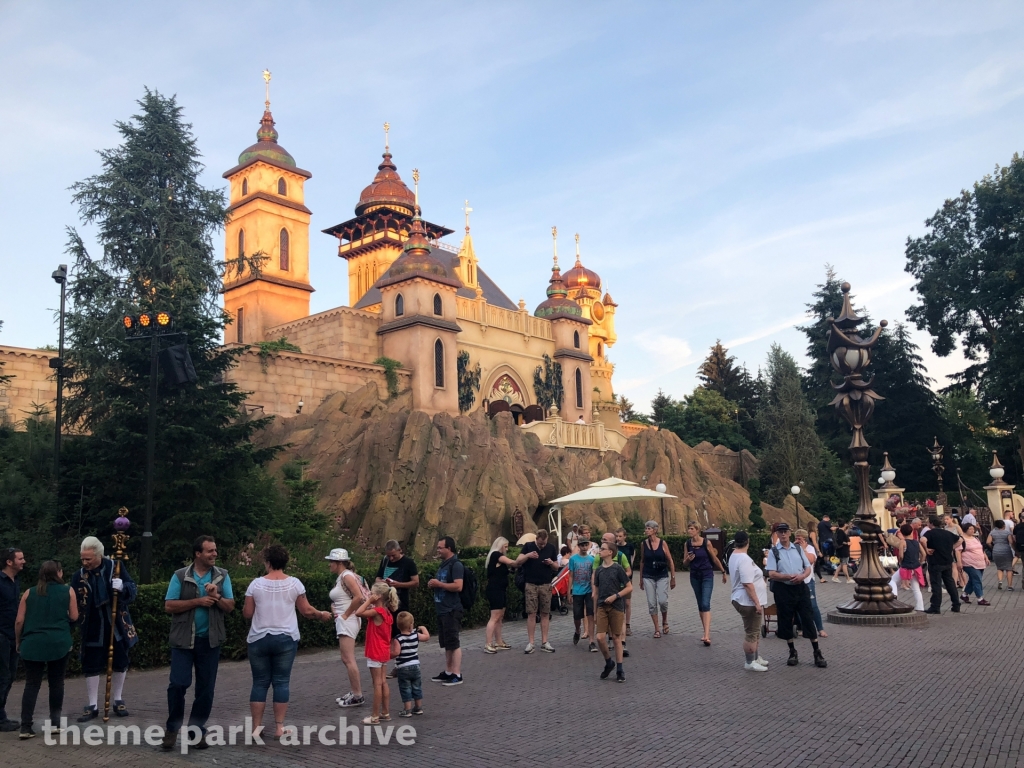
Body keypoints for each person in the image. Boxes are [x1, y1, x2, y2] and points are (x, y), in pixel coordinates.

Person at [243, 544, 333, 739]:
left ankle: (256, 729)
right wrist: (322, 614)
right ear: (285, 562)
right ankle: (279, 727)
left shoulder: (255, 584)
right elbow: (306, 611)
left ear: (267, 562)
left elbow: (248, 613)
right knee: (281, 682)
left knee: (259, 683)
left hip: (258, 638)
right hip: (286, 638)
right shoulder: (295, 584)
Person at [162, 536, 235, 750]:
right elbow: (169, 606)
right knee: (178, 684)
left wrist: (216, 597)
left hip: (210, 641)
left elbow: (230, 607)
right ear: (198, 554)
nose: (214, 554)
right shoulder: (180, 576)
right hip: (183, 641)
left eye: (215, 550)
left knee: (205, 690)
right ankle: (172, 728)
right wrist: (198, 601)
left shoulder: (222, 576)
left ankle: (196, 731)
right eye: (210, 551)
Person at [72, 536, 138, 721]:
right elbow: (74, 600)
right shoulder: (78, 576)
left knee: (120, 659)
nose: (85, 563)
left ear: (99, 556)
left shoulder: (115, 568)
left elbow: (133, 588)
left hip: (116, 623)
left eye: (89, 559)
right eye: (83, 559)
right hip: (93, 624)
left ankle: (117, 698)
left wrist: (123, 587)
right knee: (91, 662)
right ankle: (92, 704)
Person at [14, 560, 76, 739]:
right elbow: (74, 616)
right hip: (59, 643)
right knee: (56, 682)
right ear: (59, 573)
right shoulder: (68, 591)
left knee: (31, 684)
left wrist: (19, 641)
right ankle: (55, 724)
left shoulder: (29, 593)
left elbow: (19, 621)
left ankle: (26, 726)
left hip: (32, 642)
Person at [766, 522, 826, 668]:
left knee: (807, 616)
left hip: (800, 587)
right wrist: (786, 577)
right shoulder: (774, 551)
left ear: (790, 533)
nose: (783, 534)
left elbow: (807, 567)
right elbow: (771, 573)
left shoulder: (798, 549)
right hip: (784, 589)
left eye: (785, 531)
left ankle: (817, 651)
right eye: (780, 532)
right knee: (786, 619)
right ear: (777, 534)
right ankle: (792, 651)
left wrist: (802, 576)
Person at [354, 582, 399, 725]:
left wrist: (368, 601)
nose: (369, 595)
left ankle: (374, 716)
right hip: (384, 651)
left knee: (377, 684)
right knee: (383, 682)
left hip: (375, 651)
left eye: (372, 593)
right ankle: (385, 712)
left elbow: (358, 612)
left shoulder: (377, 611)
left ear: (377, 596)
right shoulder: (387, 612)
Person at [328, 548, 367, 709]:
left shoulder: (346, 576)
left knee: (348, 658)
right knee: (347, 658)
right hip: (345, 619)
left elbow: (359, 597)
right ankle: (355, 691)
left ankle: (358, 695)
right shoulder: (343, 577)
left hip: (348, 621)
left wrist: (345, 615)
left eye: (331, 562)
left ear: (339, 563)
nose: (329, 564)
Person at [375, 540, 419, 678]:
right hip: (386, 605)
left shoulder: (409, 563)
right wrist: (381, 582)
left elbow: (415, 582)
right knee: (388, 634)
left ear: (400, 550)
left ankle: (400, 665)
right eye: (389, 556)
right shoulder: (385, 561)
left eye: (393, 555)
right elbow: (378, 577)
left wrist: (398, 584)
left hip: (401, 604)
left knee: (401, 635)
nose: (391, 558)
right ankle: (390, 664)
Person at [728, 531, 769, 672]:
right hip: (747, 602)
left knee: (756, 631)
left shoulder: (735, 555)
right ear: (748, 541)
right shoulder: (743, 559)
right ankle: (749, 662)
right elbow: (747, 584)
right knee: (751, 632)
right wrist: (757, 603)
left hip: (744, 600)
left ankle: (756, 657)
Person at [426, 536, 465, 685]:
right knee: (447, 643)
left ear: (449, 549)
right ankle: (448, 671)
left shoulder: (456, 565)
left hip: (451, 609)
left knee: (453, 642)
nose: (438, 550)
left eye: (440, 547)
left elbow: (458, 586)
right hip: (442, 609)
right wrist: (434, 584)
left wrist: (439, 585)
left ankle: (457, 674)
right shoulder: (443, 564)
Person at [592, 541, 632, 682]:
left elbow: (629, 587)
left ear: (610, 552)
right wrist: (595, 611)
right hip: (602, 606)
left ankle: (620, 669)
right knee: (600, 637)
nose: (599, 551)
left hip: (616, 606)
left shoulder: (618, 569)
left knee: (616, 638)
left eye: (602, 549)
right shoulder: (599, 570)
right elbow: (595, 592)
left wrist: (616, 596)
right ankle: (609, 662)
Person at [515, 529, 559, 653]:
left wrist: (551, 563)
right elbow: (518, 561)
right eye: (540, 544)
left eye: (544, 543)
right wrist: (528, 555)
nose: (542, 546)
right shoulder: (528, 546)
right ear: (536, 539)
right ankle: (531, 642)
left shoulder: (551, 548)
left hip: (545, 584)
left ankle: (545, 642)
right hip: (531, 584)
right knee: (531, 613)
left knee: (545, 613)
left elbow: (557, 566)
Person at [683, 522, 727, 646]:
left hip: (707, 575)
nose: (689, 531)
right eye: (688, 528)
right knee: (700, 604)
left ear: (697, 530)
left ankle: (707, 635)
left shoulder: (706, 543)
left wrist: (723, 571)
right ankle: (705, 631)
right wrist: (688, 560)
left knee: (705, 603)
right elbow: (684, 563)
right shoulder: (687, 544)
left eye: (691, 529)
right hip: (694, 576)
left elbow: (714, 558)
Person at [0, 547, 25, 732]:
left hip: (12, 636)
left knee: (9, 676)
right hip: (1, 635)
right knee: (3, 676)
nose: (23, 561)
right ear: (9, 562)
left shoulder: (15, 581)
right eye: (20, 558)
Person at [638, 520, 675, 637]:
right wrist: (640, 579)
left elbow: (670, 560)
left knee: (663, 601)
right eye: (646, 528)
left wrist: (673, 577)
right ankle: (657, 629)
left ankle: (665, 621)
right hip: (648, 576)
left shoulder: (662, 543)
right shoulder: (643, 544)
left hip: (662, 575)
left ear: (655, 530)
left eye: (649, 528)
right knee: (652, 603)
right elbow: (642, 561)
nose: (647, 530)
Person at [923, 516, 962, 614]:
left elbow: (923, 540)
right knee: (950, 583)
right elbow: (961, 539)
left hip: (935, 561)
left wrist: (926, 549)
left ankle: (935, 606)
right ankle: (956, 604)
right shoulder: (948, 533)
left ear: (931, 524)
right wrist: (951, 547)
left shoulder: (929, 533)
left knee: (936, 584)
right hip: (947, 561)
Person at [394, 611, 429, 717]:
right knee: (416, 686)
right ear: (411, 625)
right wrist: (423, 628)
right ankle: (418, 707)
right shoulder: (416, 635)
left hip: (403, 667)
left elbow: (397, 652)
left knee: (405, 688)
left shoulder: (398, 639)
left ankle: (407, 709)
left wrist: (389, 654)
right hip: (415, 666)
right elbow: (427, 637)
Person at [484, 537, 515, 653]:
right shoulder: (496, 555)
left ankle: (499, 641)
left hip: (501, 589)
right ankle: (488, 643)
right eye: (505, 546)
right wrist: (523, 560)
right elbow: (511, 562)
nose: (506, 549)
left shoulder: (498, 559)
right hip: (495, 589)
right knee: (494, 617)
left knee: (500, 616)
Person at [794, 529, 827, 638]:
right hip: (796, 580)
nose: (797, 540)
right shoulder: (792, 548)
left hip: (808, 580)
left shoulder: (810, 549)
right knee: (798, 606)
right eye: (796, 538)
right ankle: (802, 628)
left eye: (799, 538)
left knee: (812, 605)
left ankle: (820, 629)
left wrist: (803, 550)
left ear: (804, 539)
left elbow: (810, 561)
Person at [568, 540, 596, 651]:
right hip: (577, 590)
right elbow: (571, 576)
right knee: (577, 615)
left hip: (589, 590)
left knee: (590, 614)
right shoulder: (573, 559)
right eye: (582, 545)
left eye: (586, 545)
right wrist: (568, 592)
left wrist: (595, 591)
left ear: (588, 546)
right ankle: (577, 630)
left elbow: (594, 576)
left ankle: (592, 641)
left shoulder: (592, 559)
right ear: (578, 546)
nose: (584, 547)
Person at [896, 523, 926, 611]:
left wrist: (900, 562)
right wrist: (920, 562)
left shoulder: (903, 542)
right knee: (916, 588)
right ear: (911, 531)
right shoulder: (916, 542)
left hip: (906, 566)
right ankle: (920, 606)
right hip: (916, 567)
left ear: (902, 533)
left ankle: (894, 600)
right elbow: (923, 554)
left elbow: (901, 555)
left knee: (892, 581)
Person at [959, 524, 990, 606]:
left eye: (973, 529)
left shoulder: (975, 538)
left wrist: (986, 557)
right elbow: (958, 551)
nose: (972, 531)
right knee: (977, 580)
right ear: (965, 529)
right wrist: (959, 562)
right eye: (970, 529)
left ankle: (964, 595)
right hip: (969, 563)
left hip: (980, 562)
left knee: (973, 580)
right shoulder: (961, 539)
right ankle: (980, 598)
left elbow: (981, 549)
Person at [614, 528, 635, 636]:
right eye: (616, 536)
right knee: (618, 601)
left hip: (627, 576)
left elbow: (632, 560)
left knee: (627, 602)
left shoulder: (630, 546)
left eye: (620, 536)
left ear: (625, 536)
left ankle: (627, 625)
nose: (618, 538)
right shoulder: (614, 547)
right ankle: (618, 624)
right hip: (615, 578)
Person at [987, 520, 1015, 590]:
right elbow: (1011, 542)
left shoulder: (992, 532)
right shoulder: (1007, 532)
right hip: (1006, 550)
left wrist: (993, 547)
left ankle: (1000, 581)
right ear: (1003, 525)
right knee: (1009, 568)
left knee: (999, 567)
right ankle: (1009, 586)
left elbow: (988, 542)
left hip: (996, 550)